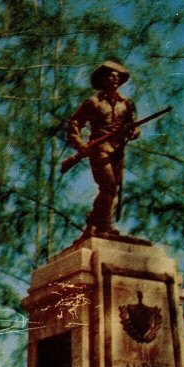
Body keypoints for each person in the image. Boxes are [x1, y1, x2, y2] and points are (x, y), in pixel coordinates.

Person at [67, 60, 139, 235]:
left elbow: (133, 126)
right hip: (100, 149)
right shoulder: (93, 102)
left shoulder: (127, 104)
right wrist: (80, 144)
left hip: (118, 150)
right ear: (103, 79)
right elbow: (74, 124)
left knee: (111, 189)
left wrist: (134, 131)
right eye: (110, 76)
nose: (114, 79)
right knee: (108, 185)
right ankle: (104, 226)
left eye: (117, 77)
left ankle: (94, 223)